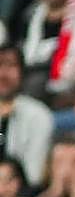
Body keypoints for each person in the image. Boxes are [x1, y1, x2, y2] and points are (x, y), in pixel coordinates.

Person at [0, 42, 53, 185]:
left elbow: (34, 175)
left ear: (22, 72)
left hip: (22, 192)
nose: (3, 74)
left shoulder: (39, 115)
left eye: (11, 66)